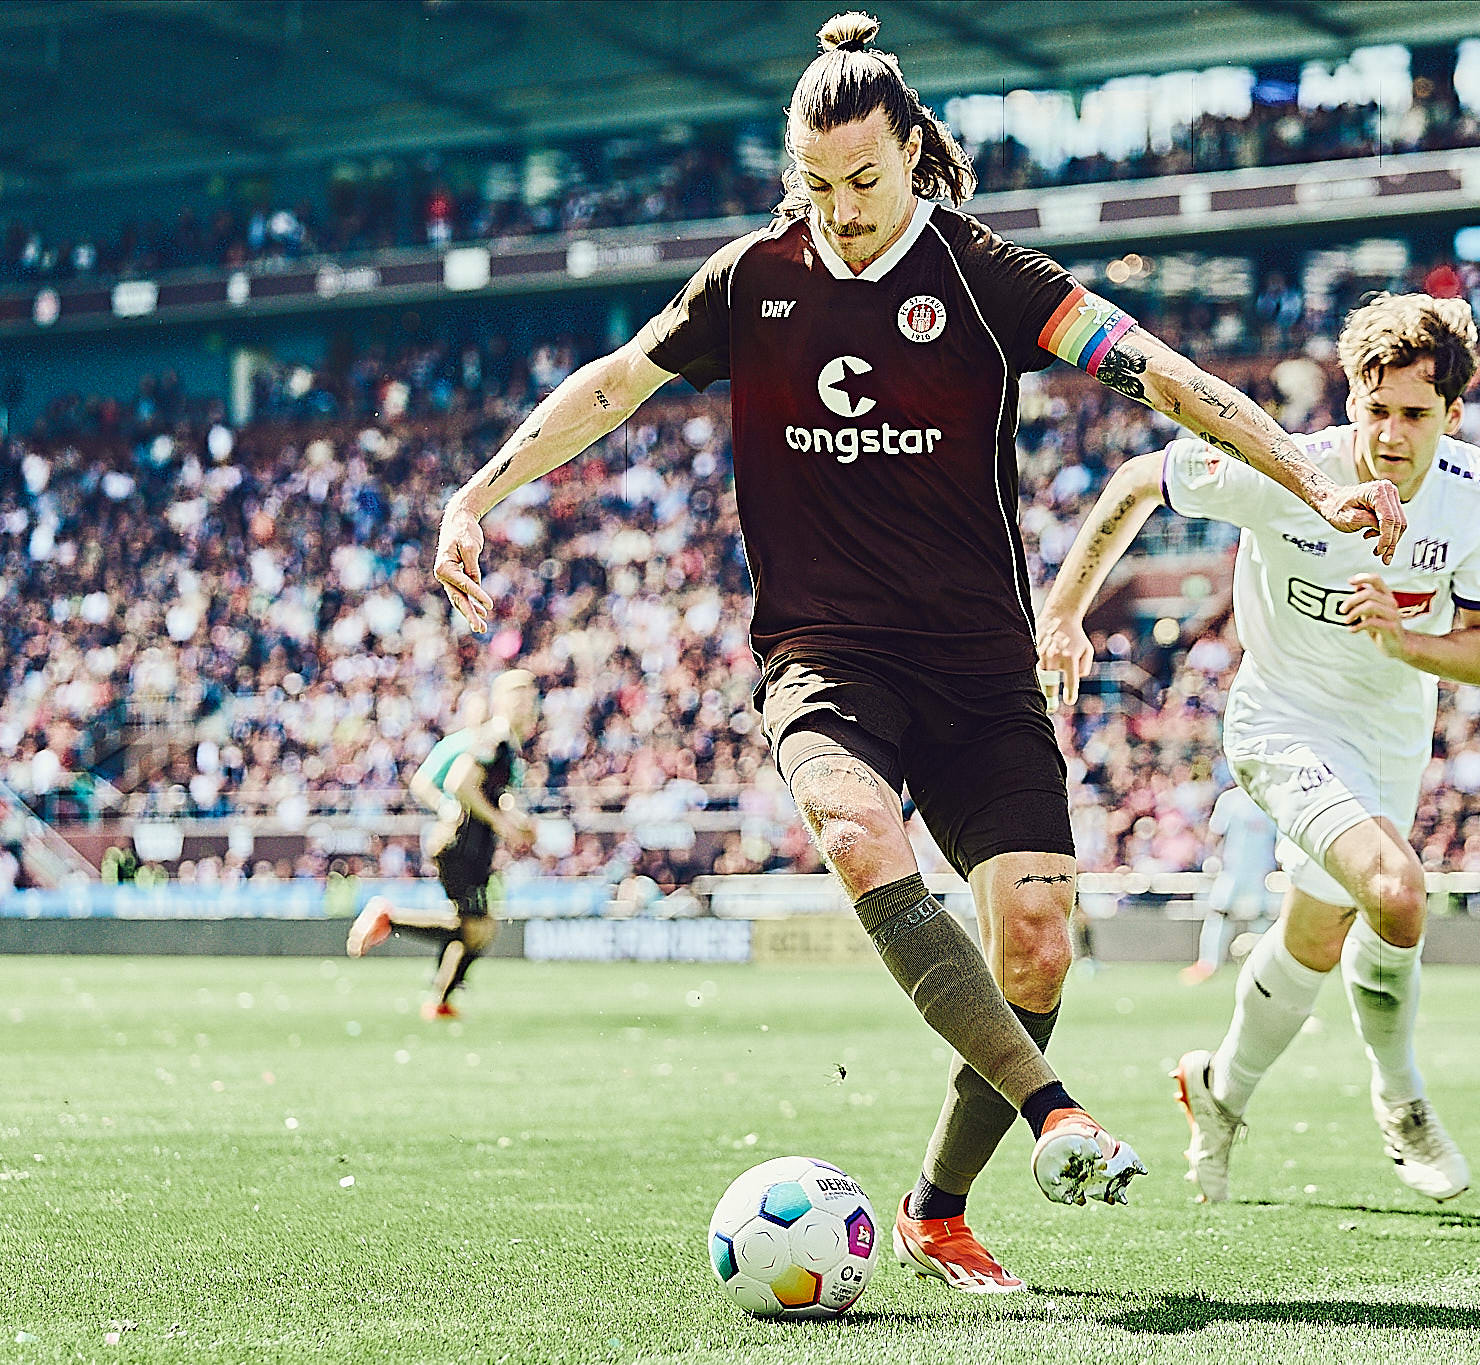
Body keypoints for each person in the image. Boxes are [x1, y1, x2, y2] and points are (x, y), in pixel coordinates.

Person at [430, 11, 1405, 1293]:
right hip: (826, 656)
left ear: (912, 153)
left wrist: (1308, 480)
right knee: (855, 831)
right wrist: (478, 496)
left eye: (864, 180)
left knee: (1038, 943)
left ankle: (935, 1209)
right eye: (815, 183)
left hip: (978, 668)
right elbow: (616, 381)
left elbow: (1162, 377)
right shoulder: (751, 278)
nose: (840, 210)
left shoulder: (983, 277)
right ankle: (1057, 1112)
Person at [1037, 293, 1480, 1206]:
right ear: (1351, 400)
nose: (1392, 434)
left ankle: (1218, 1090)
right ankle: (1404, 1098)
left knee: (1318, 934)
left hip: (1390, 734)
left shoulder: (1474, 491)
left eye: (1416, 414)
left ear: (1453, 415)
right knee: (1396, 890)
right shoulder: (1289, 469)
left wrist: (1403, 640)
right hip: (1281, 721)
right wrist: (1062, 612)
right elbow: (1138, 480)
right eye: (1376, 409)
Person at [347, 671, 538, 1021]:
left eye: (530, 697)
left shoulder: (507, 744)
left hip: (474, 847)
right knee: (474, 927)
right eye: (518, 697)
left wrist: (515, 820)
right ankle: (389, 918)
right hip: (462, 845)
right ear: (499, 701)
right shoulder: (493, 738)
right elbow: (459, 782)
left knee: (479, 929)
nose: (526, 705)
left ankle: (440, 1000)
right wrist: (499, 821)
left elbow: (491, 793)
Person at [1182, 783, 1277, 985]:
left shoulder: (1270, 796)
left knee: (1261, 916)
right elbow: (1216, 832)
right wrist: (1211, 857)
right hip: (1232, 868)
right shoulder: (1231, 798)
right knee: (1218, 912)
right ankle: (1208, 964)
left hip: (1263, 871)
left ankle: (1263, 967)